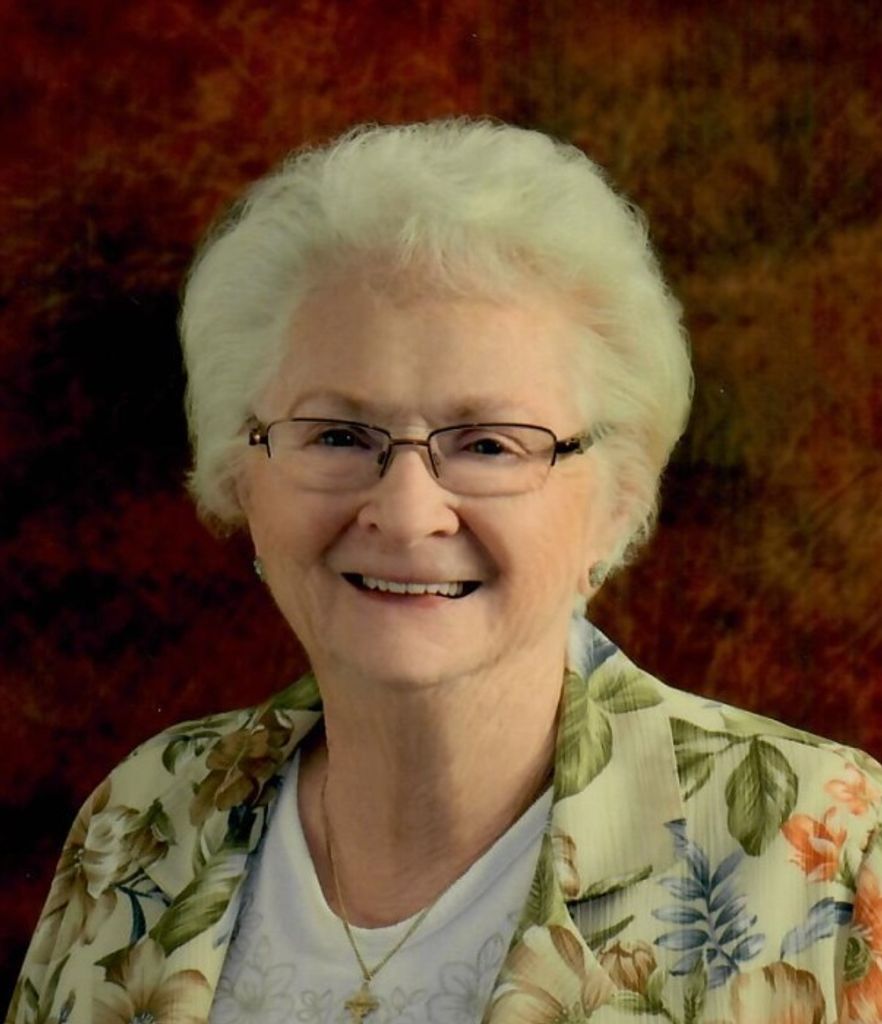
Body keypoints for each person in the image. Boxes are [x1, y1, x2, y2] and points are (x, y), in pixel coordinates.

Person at [7, 119, 882, 1024]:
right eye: (338, 435)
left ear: (617, 502)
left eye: (490, 444)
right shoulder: (142, 820)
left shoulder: (829, 851)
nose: (406, 512)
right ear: (242, 472)